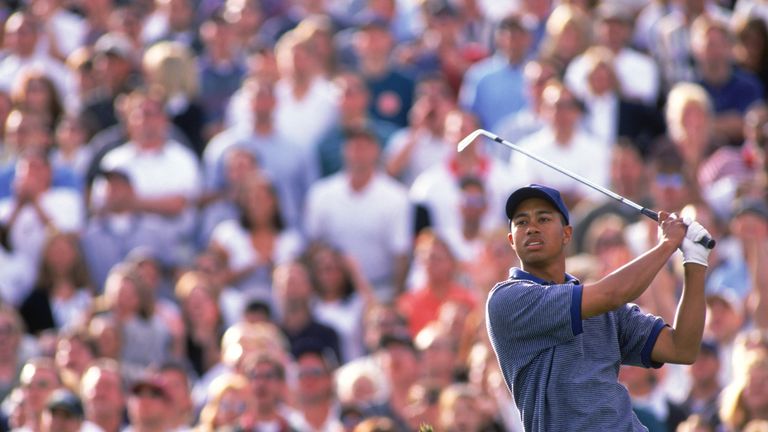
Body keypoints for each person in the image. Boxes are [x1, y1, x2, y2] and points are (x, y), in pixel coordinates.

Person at [486, 183, 712, 431]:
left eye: (543, 218)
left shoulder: (602, 308)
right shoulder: (508, 298)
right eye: (521, 222)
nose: (531, 228)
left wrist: (695, 262)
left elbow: (683, 348)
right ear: (511, 240)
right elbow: (613, 293)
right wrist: (666, 245)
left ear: (567, 234)